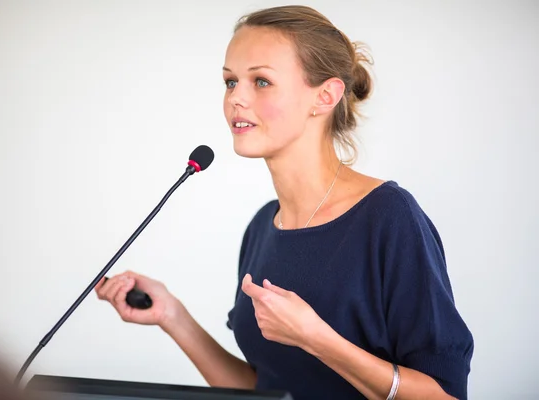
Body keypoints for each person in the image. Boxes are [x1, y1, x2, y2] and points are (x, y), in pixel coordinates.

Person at [95, 5, 474, 400]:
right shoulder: (263, 227)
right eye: (230, 82)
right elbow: (266, 391)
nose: (236, 99)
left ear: (325, 96)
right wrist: (171, 315)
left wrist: (317, 338)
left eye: (260, 81)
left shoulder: (389, 217)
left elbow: (444, 395)